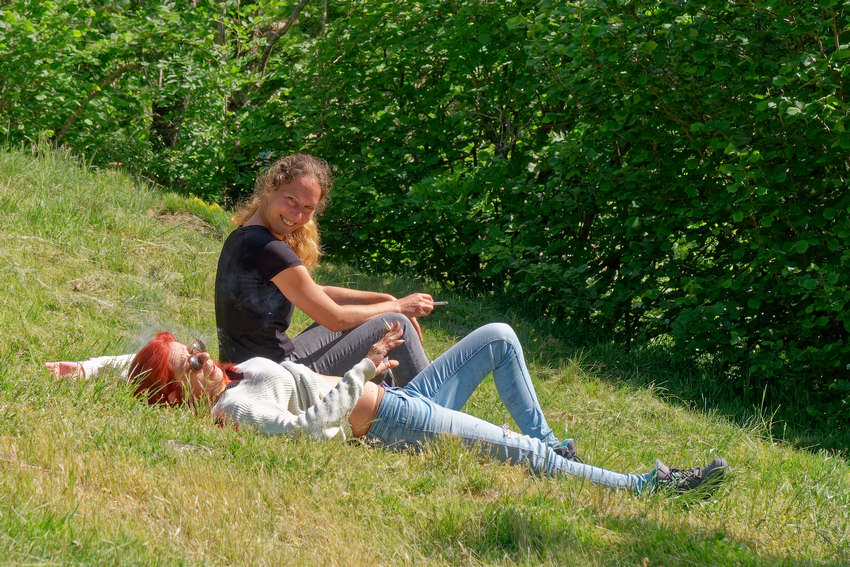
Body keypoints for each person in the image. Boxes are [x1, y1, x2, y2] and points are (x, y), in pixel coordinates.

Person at [46, 322, 728, 495]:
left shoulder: (225, 375)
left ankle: (555, 443)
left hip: (401, 397)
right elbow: (306, 428)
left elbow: (141, 361)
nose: (201, 357)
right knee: (518, 455)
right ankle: (644, 485)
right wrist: (365, 367)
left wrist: (86, 367)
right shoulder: (238, 409)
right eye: (189, 364)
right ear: (178, 396)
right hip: (398, 422)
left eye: (193, 350)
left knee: (498, 337)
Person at [215, 153, 434, 386]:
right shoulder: (269, 249)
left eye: (308, 207)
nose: (297, 215)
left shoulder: (245, 236)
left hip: (251, 370)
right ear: (269, 187)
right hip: (274, 378)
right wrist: (398, 306)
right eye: (291, 199)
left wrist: (384, 299)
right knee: (395, 322)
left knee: (372, 317)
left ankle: (386, 396)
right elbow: (335, 319)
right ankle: (435, 404)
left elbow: (314, 291)